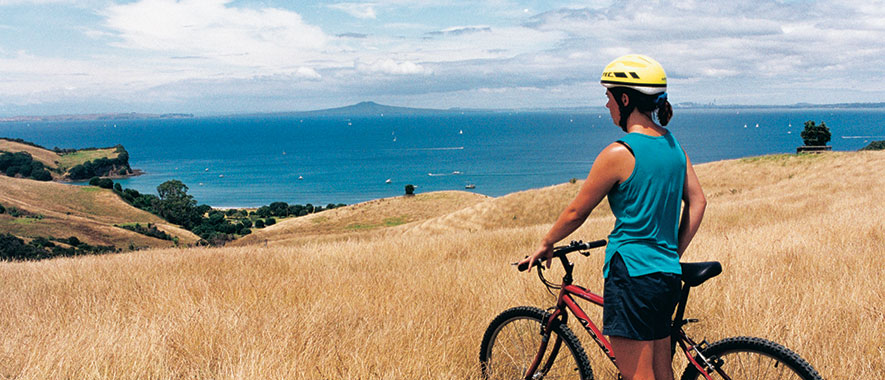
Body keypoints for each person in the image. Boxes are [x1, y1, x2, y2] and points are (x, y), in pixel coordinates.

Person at [519, 54, 707, 380]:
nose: (606, 105)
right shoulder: (674, 146)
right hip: (665, 276)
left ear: (624, 98)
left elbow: (577, 211)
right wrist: (671, 254)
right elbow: (698, 202)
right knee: (663, 373)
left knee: (638, 375)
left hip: (631, 275)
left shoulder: (620, 152)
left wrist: (547, 242)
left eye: (608, 97)